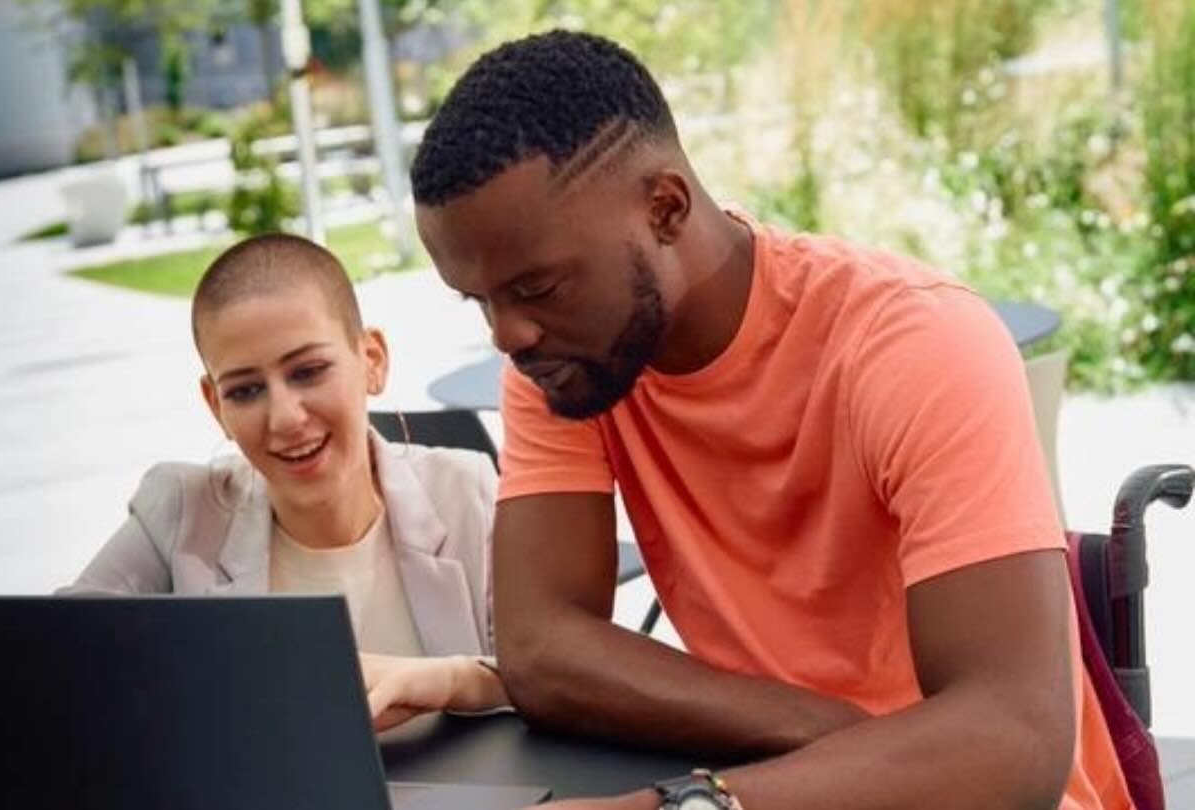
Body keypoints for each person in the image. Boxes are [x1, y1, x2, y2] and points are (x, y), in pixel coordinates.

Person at [409, 30, 1132, 810]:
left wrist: (688, 805)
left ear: (665, 207)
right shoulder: (572, 362)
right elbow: (542, 646)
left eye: (538, 288)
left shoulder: (913, 346)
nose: (507, 335)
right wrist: (829, 735)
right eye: (479, 301)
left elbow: (1011, 741)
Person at [66, 233, 507, 730]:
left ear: (372, 361)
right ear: (216, 406)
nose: (284, 418)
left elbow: (546, 674)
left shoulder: (467, 490)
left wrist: (443, 680)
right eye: (246, 390)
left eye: (308, 371)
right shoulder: (179, 512)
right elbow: (50, 662)